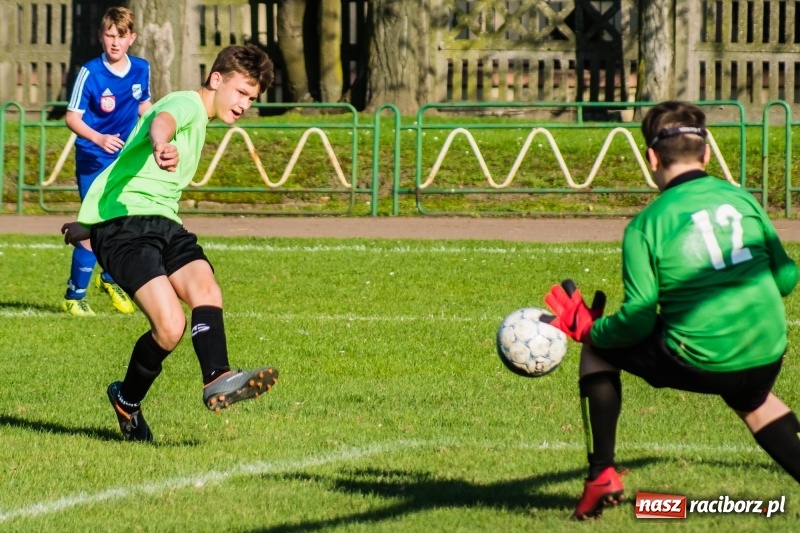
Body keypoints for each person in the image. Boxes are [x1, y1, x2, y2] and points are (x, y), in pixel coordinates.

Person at [543, 100, 800, 520]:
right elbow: (787, 279)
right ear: (707, 153)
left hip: (708, 357)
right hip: (769, 349)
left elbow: (641, 316)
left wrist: (591, 330)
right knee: (754, 401)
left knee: (599, 350)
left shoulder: (647, 225)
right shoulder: (742, 199)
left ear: (650, 158)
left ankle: (600, 474)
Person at [61, 44, 279, 442]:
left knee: (206, 288)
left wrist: (88, 225)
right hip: (128, 228)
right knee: (170, 326)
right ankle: (128, 400)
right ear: (216, 80)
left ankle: (217, 378)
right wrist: (162, 143)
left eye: (253, 97)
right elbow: (162, 119)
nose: (246, 103)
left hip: (162, 223)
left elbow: (135, 171)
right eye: (242, 92)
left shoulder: (201, 117)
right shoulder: (188, 104)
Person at [63, 6, 151, 317]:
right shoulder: (90, 73)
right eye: (109, 35)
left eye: (121, 36)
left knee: (126, 222)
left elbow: (144, 106)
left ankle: (111, 280)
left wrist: (160, 131)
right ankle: (74, 296)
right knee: (93, 224)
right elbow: (71, 118)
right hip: (93, 157)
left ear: (132, 38)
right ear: (101, 37)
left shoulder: (141, 68)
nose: (115, 42)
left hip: (124, 160)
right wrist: (98, 138)